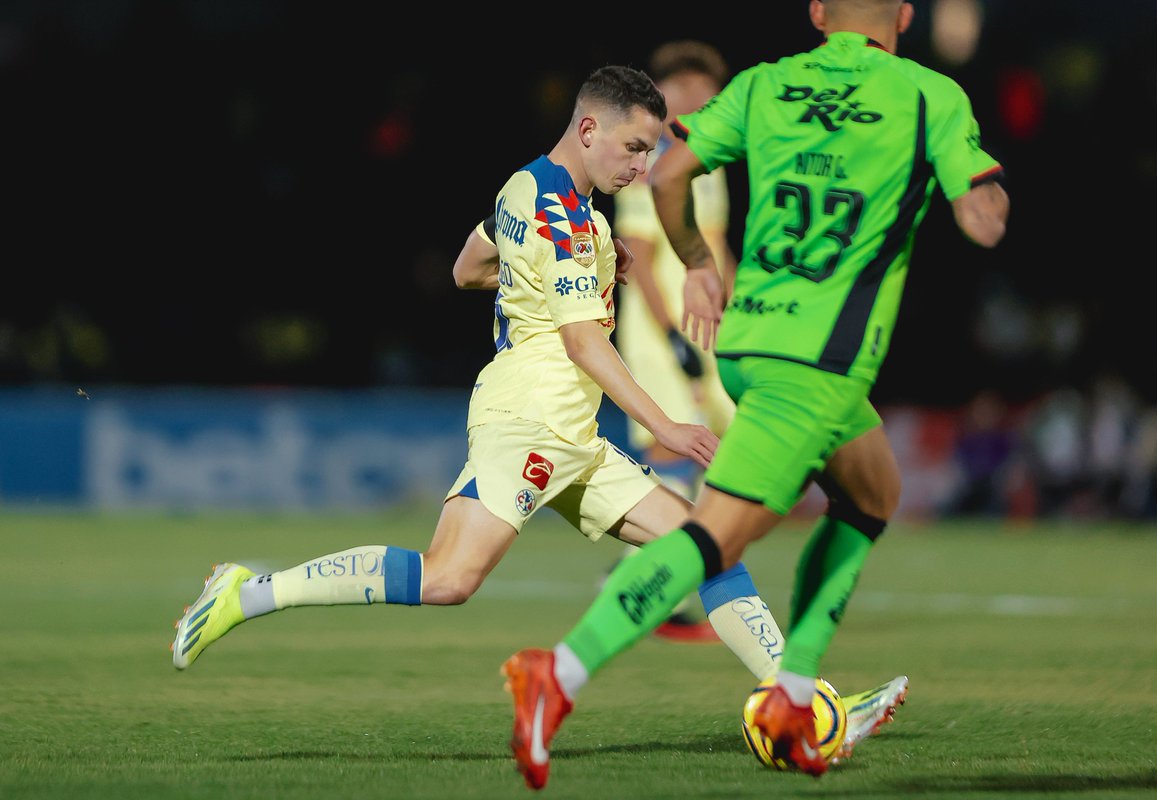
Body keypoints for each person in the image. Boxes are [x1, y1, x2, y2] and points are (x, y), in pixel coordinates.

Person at [502, 0, 1010, 789]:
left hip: (745, 342)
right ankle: (560, 672)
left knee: (873, 494)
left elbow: (669, 171)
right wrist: (980, 185)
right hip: (812, 362)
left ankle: (793, 694)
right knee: (713, 540)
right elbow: (981, 220)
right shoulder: (927, 95)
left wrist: (698, 261)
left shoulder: (767, 85)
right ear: (906, 15)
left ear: (816, 13)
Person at [170, 65, 788, 690]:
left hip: (570, 430)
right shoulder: (562, 212)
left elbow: (468, 270)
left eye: (651, 152)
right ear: (590, 127)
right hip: (529, 422)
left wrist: (572, 269)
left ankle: (796, 694)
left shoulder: (527, 189)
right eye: (634, 148)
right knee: (447, 578)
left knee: (709, 548)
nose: (642, 167)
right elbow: (581, 342)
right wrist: (667, 426)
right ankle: (246, 594)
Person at [610, 40, 737, 642]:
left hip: (709, 327)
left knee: (725, 448)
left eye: (703, 92)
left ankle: (651, 577)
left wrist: (740, 318)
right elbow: (639, 258)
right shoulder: (649, 163)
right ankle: (653, 588)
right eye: (682, 92)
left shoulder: (706, 164)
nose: (695, 101)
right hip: (661, 332)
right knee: (675, 449)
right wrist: (668, 334)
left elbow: (716, 249)